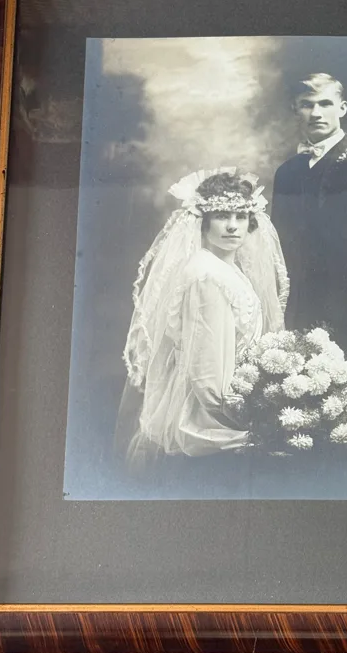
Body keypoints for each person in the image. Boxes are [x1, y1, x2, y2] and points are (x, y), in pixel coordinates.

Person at [119, 168, 289, 463]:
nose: (233, 226)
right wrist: (253, 418)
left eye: (240, 216)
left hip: (230, 399)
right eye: (222, 216)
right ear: (203, 221)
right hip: (207, 419)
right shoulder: (206, 275)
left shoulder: (226, 270)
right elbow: (206, 378)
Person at [271, 73, 347, 408]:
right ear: (295, 109)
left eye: (325, 103)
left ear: (342, 108)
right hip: (301, 302)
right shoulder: (287, 172)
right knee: (304, 398)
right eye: (307, 105)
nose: (316, 113)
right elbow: (277, 242)